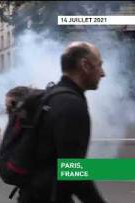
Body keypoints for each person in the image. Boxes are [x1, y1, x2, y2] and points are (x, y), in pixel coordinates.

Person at [16, 41, 106, 202]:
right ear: (85, 65)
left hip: (33, 194)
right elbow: (72, 170)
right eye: (99, 65)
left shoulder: (51, 95)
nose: (103, 73)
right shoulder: (71, 104)